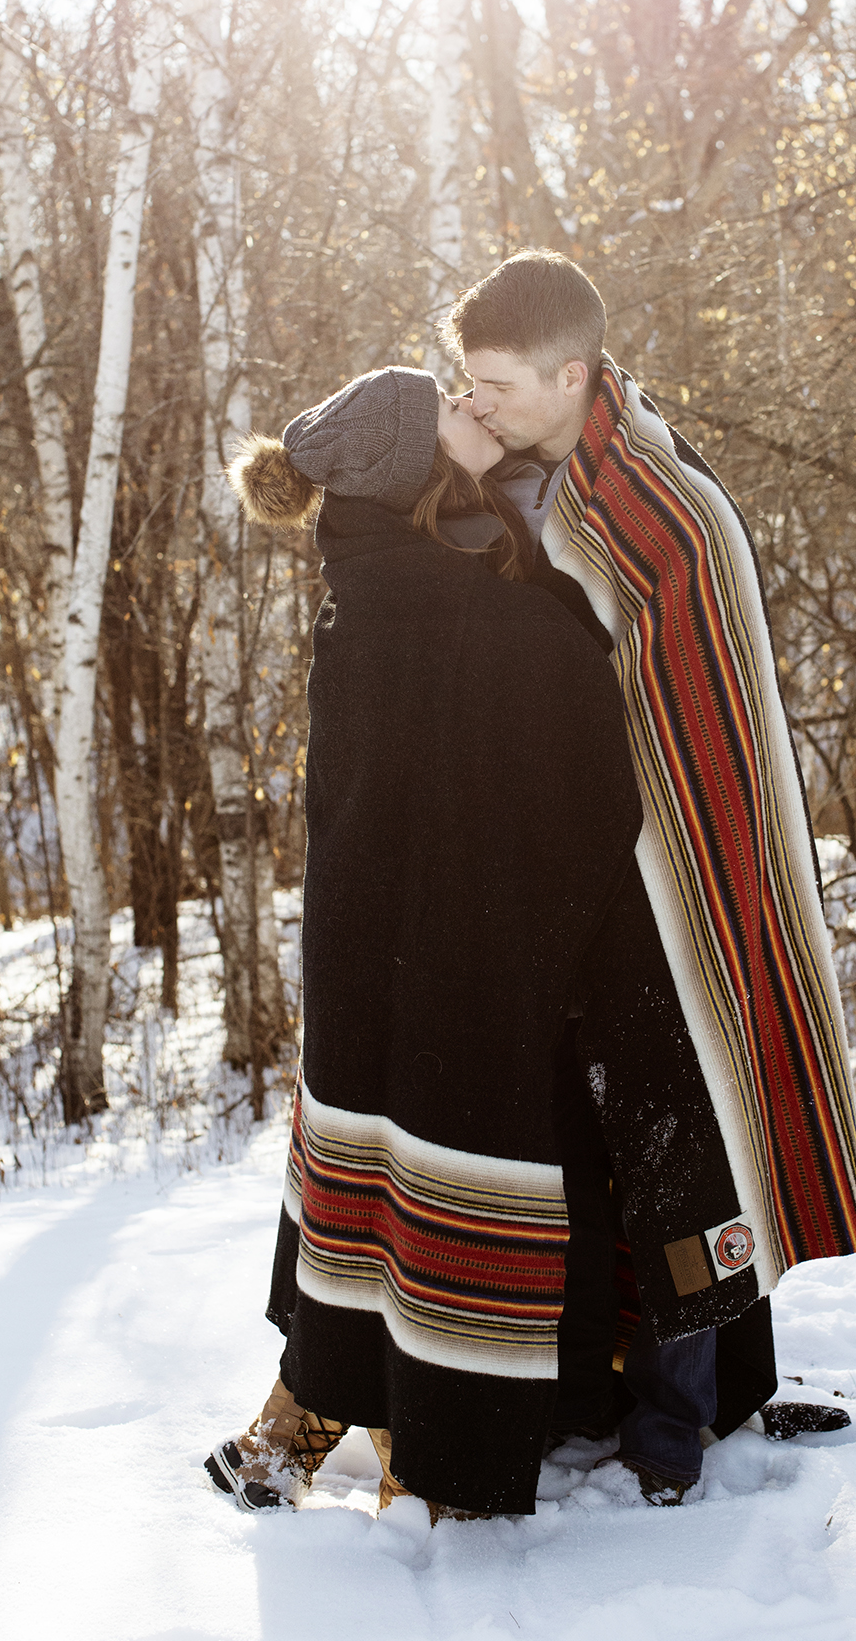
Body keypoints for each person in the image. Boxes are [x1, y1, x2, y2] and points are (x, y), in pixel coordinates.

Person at [445, 249, 856, 1501]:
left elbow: (699, 720)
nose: (473, 403)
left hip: (666, 887)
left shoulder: (647, 500)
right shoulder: (535, 472)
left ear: (572, 375)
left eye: (496, 384)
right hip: (578, 879)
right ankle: (597, 1390)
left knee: (682, 1140)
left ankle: (675, 1428)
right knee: (586, 1147)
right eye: (464, 382)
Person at [206, 365, 647, 1520]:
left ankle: (314, 1411)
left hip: (361, 955)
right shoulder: (472, 605)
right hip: (464, 965)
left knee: (365, 1170)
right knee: (453, 1177)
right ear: (418, 466)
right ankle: (436, 1452)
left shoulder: (363, 578)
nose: (475, 407)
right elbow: (595, 791)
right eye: (452, 407)